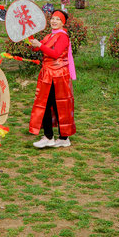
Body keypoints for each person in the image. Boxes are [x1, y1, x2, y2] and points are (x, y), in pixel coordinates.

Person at [28, 10, 76, 148]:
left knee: (53, 104)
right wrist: (31, 40)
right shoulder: (49, 35)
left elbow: (55, 54)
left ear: (63, 23)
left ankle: (52, 137)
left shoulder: (62, 37)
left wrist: (40, 45)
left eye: (58, 19)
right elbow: (37, 49)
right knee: (52, 105)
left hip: (59, 75)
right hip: (49, 75)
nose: (54, 21)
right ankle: (60, 137)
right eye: (53, 19)